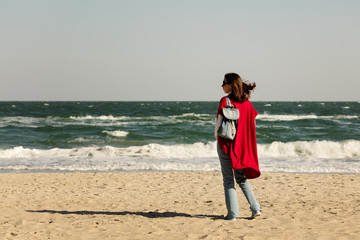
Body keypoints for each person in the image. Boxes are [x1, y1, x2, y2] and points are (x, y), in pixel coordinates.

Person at [214, 72, 261, 220]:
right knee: (241, 179)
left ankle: (232, 214)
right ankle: (256, 209)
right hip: (241, 148)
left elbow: (218, 126)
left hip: (226, 145)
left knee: (228, 179)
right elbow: (250, 126)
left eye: (224, 82)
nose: (222, 85)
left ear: (231, 84)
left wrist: (217, 138)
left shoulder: (225, 101)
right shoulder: (248, 104)